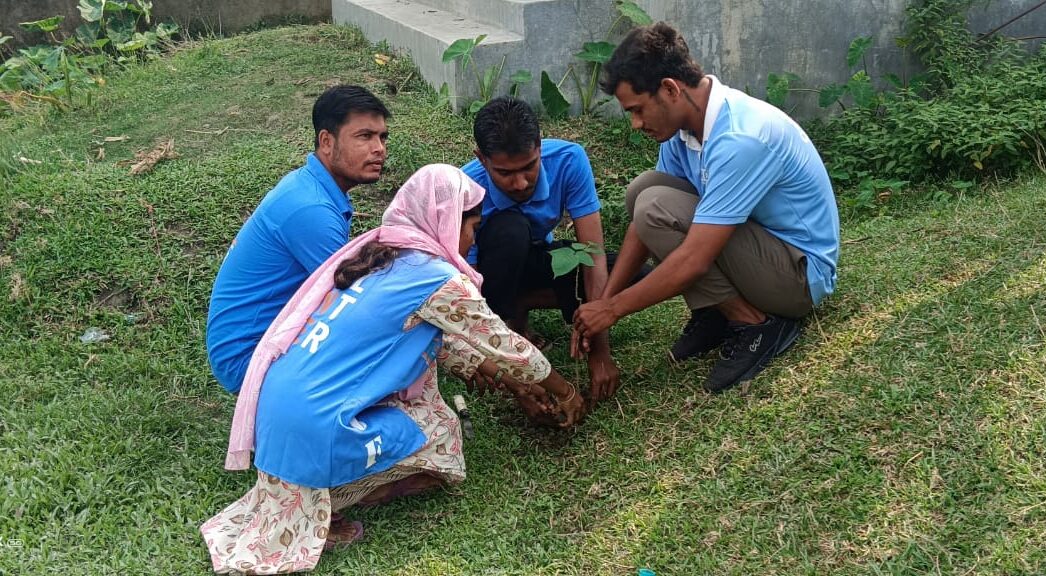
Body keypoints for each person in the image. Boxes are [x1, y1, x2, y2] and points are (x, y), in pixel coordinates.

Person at [202, 164, 586, 574]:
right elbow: (509, 348)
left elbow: (446, 345)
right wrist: (565, 392)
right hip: (312, 426)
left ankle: (317, 490)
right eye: (471, 226)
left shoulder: (384, 256)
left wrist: (508, 380)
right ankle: (335, 496)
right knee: (441, 432)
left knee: (433, 415)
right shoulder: (435, 278)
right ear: (444, 220)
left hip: (276, 414)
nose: (473, 239)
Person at [572, 22, 840, 393]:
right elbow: (644, 225)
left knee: (653, 204)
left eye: (637, 110)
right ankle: (715, 312)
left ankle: (755, 324)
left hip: (798, 276)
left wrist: (614, 309)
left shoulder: (740, 139)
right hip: (758, 254)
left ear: (669, 88)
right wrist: (601, 306)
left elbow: (693, 257)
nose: (635, 124)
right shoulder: (685, 129)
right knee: (642, 192)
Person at [206, 85, 390, 394]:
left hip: (256, 340)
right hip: (247, 358)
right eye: (365, 137)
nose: (379, 148)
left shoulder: (309, 187)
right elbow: (354, 302)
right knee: (384, 336)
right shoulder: (312, 209)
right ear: (327, 142)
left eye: (383, 137)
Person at [461, 96, 626, 406]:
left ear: (539, 146)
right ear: (482, 159)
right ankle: (511, 320)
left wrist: (600, 350)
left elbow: (592, 252)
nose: (521, 182)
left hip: (538, 257)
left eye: (529, 167)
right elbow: (467, 285)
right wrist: (511, 365)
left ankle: (524, 301)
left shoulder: (569, 159)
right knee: (510, 229)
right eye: (505, 173)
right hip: (491, 274)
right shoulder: (465, 186)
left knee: (628, 274)